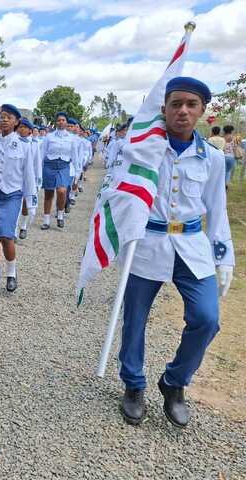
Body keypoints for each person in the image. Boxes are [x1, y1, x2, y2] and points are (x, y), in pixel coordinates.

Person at [118, 77, 234, 428]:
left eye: (191, 104)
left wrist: (224, 258)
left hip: (192, 246)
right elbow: (118, 192)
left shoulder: (211, 158)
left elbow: (217, 209)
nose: (182, 110)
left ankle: (174, 382)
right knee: (135, 319)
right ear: (164, 108)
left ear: (201, 111)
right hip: (148, 243)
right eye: (175, 104)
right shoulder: (142, 149)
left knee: (207, 318)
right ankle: (133, 384)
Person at [0, 105, 38, 292]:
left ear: (16, 122)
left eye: (9, 117)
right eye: (2, 116)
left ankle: (11, 274)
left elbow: (29, 176)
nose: (4, 120)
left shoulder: (23, 147)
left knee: (6, 234)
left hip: (12, 195)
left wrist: (31, 203)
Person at [39, 112, 78, 229]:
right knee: (49, 193)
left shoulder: (71, 138)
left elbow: (75, 157)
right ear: (56, 122)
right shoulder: (49, 137)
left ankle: (60, 215)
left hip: (63, 166)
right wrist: (38, 171)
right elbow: (42, 153)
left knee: (62, 191)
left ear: (66, 122)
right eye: (59, 120)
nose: (61, 122)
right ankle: (46, 220)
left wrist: (77, 173)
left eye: (63, 120)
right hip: (49, 165)